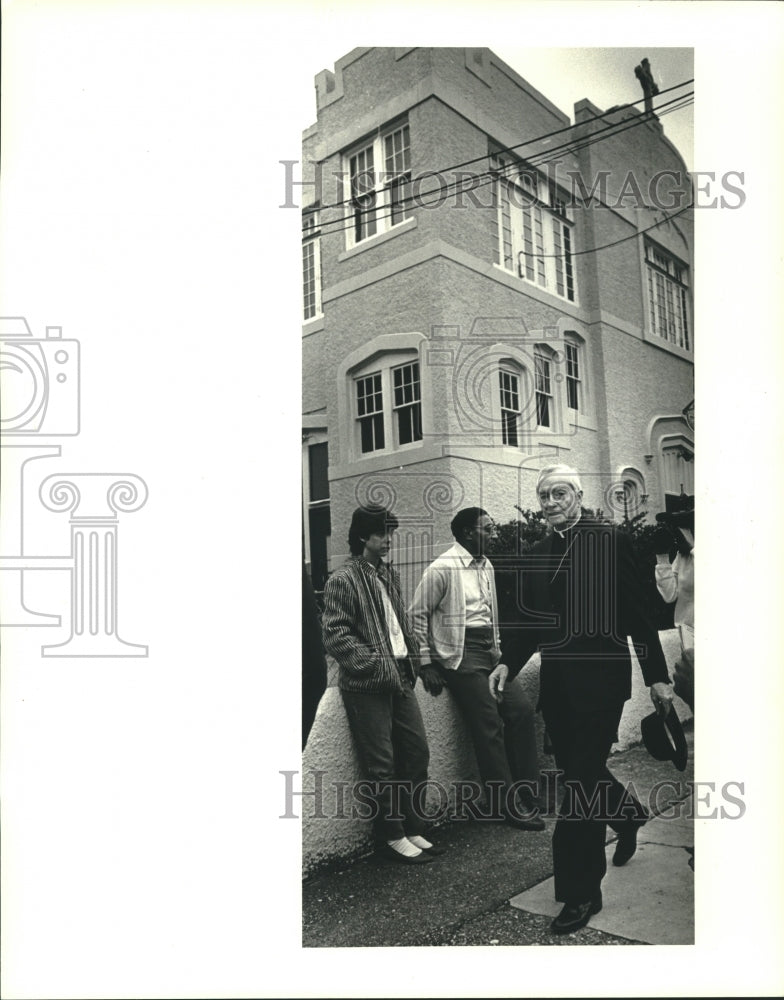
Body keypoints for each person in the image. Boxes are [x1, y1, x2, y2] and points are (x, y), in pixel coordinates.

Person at [492, 465, 674, 934]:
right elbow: (530, 621)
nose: (550, 502)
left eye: (559, 493)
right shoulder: (539, 551)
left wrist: (657, 676)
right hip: (559, 686)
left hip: (602, 685)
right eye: (543, 496)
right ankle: (627, 814)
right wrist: (507, 662)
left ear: (577, 495)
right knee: (582, 772)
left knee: (578, 786)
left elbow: (638, 614)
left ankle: (581, 891)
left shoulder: (609, 541)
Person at [408, 507, 544, 831]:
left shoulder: (487, 566)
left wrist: (498, 650)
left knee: (521, 711)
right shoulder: (442, 567)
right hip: (459, 655)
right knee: (488, 722)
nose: (493, 534)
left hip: (489, 653)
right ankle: (505, 804)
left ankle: (528, 794)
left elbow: (490, 614)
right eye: (487, 529)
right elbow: (416, 615)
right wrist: (425, 663)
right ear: (468, 533)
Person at [321, 505, 440, 865]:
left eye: (391, 533)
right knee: (381, 765)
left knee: (416, 752)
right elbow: (335, 634)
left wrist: (412, 659)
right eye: (382, 534)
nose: (389, 541)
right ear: (363, 537)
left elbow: (398, 623)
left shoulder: (388, 574)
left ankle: (414, 826)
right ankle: (392, 835)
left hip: (401, 677)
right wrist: (372, 665)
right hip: (368, 685)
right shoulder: (343, 579)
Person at [653, 507, 695, 712]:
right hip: (688, 635)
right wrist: (662, 558)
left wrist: (694, 549)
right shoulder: (683, 556)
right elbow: (670, 595)